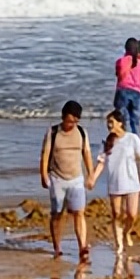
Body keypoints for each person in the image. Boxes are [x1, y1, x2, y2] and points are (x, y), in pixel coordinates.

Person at [89, 109, 140, 256]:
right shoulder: (107, 142)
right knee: (116, 214)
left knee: (132, 214)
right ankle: (118, 242)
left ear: (120, 123)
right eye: (108, 122)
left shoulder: (132, 139)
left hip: (132, 182)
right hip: (115, 183)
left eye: (111, 122)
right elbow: (101, 163)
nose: (109, 125)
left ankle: (126, 232)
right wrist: (93, 178)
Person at [40, 100, 93, 260]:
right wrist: (43, 175)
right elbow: (45, 155)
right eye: (70, 121)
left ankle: (82, 246)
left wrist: (91, 174)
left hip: (76, 178)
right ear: (63, 117)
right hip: (57, 179)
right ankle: (57, 247)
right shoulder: (53, 132)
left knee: (79, 213)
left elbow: (87, 154)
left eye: (76, 121)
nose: (72, 124)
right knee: (57, 214)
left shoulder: (82, 132)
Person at [113, 38, 140, 136]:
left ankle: (122, 137)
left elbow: (118, 75)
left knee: (122, 117)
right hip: (137, 92)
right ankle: (136, 139)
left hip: (123, 89)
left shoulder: (121, 61)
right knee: (135, 119)